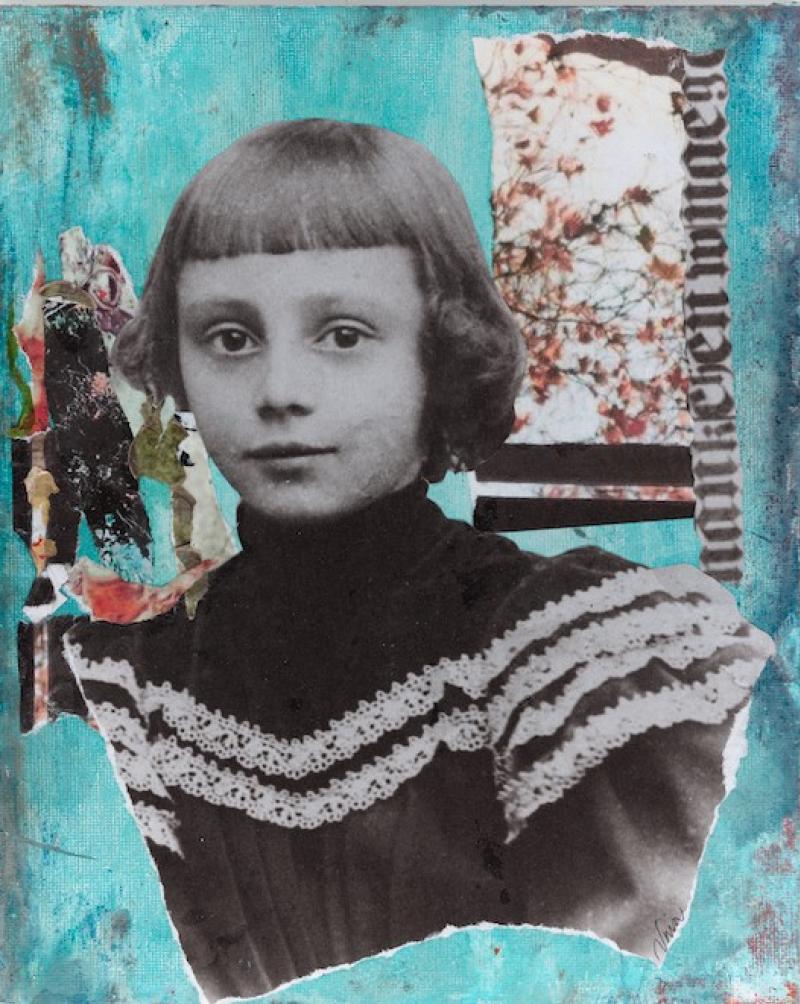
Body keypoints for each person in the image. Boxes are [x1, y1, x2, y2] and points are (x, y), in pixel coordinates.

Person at [62, 119, 774, 1001]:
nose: (281, 392)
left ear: (441, 353)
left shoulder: (569, 655)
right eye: (231, 338)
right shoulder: (128, 690)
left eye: (343, 335)